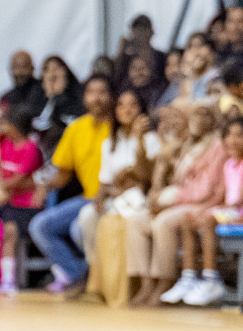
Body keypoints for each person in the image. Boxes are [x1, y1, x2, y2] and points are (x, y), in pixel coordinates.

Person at [27, 75, 113, 295]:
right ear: (84, 97)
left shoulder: (118, 126)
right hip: (87, 198)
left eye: (102, 92)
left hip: (112, 198)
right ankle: (79, 274)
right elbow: (62, 172)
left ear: (111, 96)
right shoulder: (76, 128)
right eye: (91, 92)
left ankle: (100, 279)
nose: (97, 98)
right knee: (40, 226)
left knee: (78, 229)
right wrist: (43, 183)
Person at [130, 105, 224, 306]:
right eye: (196, 115)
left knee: (162, 223)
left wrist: (170, 201)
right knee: (136, 221)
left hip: (202, 204)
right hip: (178, 201)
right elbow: (169, 179)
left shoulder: (217, 147)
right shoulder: (186, 145)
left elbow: (205, 190)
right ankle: (146, 283)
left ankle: (165, 281)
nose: (200, 120)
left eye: (206, 114)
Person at [75, 88, 157, 303]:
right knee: (86, 217)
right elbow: (106, 182)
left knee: (114, 222)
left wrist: (139, 140)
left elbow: (145, 178)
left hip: (141, 199)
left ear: (142, 110)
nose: (127, 109)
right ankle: (98, 278)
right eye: (121, 104)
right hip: (116, 196)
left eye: (133, 105)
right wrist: (102, 197)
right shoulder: (109, 143)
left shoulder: (150, 139)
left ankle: (118, 284)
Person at [166, 116, 243, 306]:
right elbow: (224, 196)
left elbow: (238, 201)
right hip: (230, 212)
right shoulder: (228, 165)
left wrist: (212, 212)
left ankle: (211, 279)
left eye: (240, 136)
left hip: (239, 215)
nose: (233, 140)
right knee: (187, 219)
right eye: (229, 136)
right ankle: (189, 277)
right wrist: (209, 210)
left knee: (208, 221)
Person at [0, 103, 43, 295]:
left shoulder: (30, 148)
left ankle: (7, 280)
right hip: (6, 202)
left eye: (8, 123)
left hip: (25, 206)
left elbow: (21, 179)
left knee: (10, 231)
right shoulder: (4, 144)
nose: (4, 126)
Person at [32, 55, 82, 160]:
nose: (52, 74)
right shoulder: (37, 100)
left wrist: (59, 94)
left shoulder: (77, 97)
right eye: (47, 70)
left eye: (56, 69)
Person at [159, 32, 219, 106]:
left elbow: (215, 100)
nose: (195, 52)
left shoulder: (213, 75)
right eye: (191, 47)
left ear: (210, 50)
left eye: (199, 46)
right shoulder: (191, 78)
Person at [0, 49, 46, 115]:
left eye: (24, 67)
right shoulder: (5, 99)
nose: (19, 72)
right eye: (15, 67)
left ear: (32, 68)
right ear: (10, 69)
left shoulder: (45, 92)